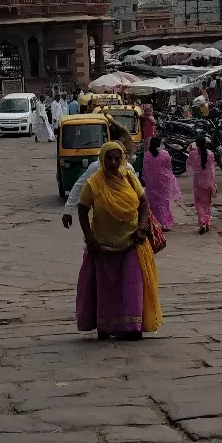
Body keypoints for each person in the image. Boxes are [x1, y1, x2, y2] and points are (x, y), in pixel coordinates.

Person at [75, 142, 163, 339]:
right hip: (103, 246)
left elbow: (144, 203)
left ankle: (132, 328)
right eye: (109, 158)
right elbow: (82, 209)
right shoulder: (93, 183)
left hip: (132, 242)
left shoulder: (130, 179)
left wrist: (141, 228)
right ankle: (106, 327)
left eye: (117, 158)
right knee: (106, 290)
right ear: (102, 159)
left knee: (132, 285)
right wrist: (90, 240)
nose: (114, 163)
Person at [143, 135, 182, 232]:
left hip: (152, 183)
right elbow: (169, 167)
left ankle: (155, 222)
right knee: (164, 203)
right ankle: (164, 223)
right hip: (164, 183)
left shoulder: (147, 155)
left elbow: (145, 169)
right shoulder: (165, 154)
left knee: (154, 204)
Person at [187, 132, 217, 233]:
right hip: (208, 179)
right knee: (207, 203)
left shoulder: (193, 154)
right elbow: (212, 168)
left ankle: (202, 221)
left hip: (198, 180)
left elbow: (189, 164)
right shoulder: (210, 154)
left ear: (197, 144)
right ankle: (208, 222)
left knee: (198, 202)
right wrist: (212, 181)